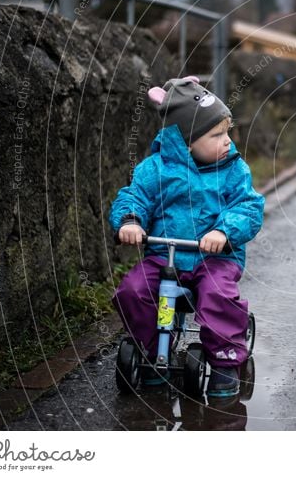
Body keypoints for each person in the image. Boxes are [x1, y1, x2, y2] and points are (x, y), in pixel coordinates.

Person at [109, 76, 264, 399]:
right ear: (186, 141)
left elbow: (247, 206)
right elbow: (134, 196)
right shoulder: (156, 169)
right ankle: (150, 350)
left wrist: (224, 231)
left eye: (227, 132)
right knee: (134, 290)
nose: (227, 141)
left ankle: (224, 360)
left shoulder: (234, 170)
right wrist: (131, 221)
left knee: (218, 295)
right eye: (216, 134)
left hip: (214, 259)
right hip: (164, 257)